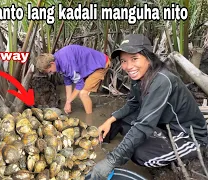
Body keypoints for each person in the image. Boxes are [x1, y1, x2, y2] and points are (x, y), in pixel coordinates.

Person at [88, 34, 208, 179]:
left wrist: (111, 161)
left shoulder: (162, 80)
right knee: (118, 121)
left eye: (134, 59)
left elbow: (143, 125)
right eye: (123, 61)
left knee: (140, 155)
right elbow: (133, 103)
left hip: (188, 136)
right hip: (164, 125)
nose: (128, 66)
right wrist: (110, 120)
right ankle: (102, 144)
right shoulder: (139, 76)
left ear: (148, 58)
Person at [35, 45, 110, 115]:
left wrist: (68, 102)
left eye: (50, 71)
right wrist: (68, 103)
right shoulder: (58, 60)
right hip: (90, 66)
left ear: (52, 63)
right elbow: (68, 83)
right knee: (81, 92)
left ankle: (89, 119)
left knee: (83, 93)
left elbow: (80, 84)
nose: (51, 73)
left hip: (101, 64)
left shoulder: (66, 63)